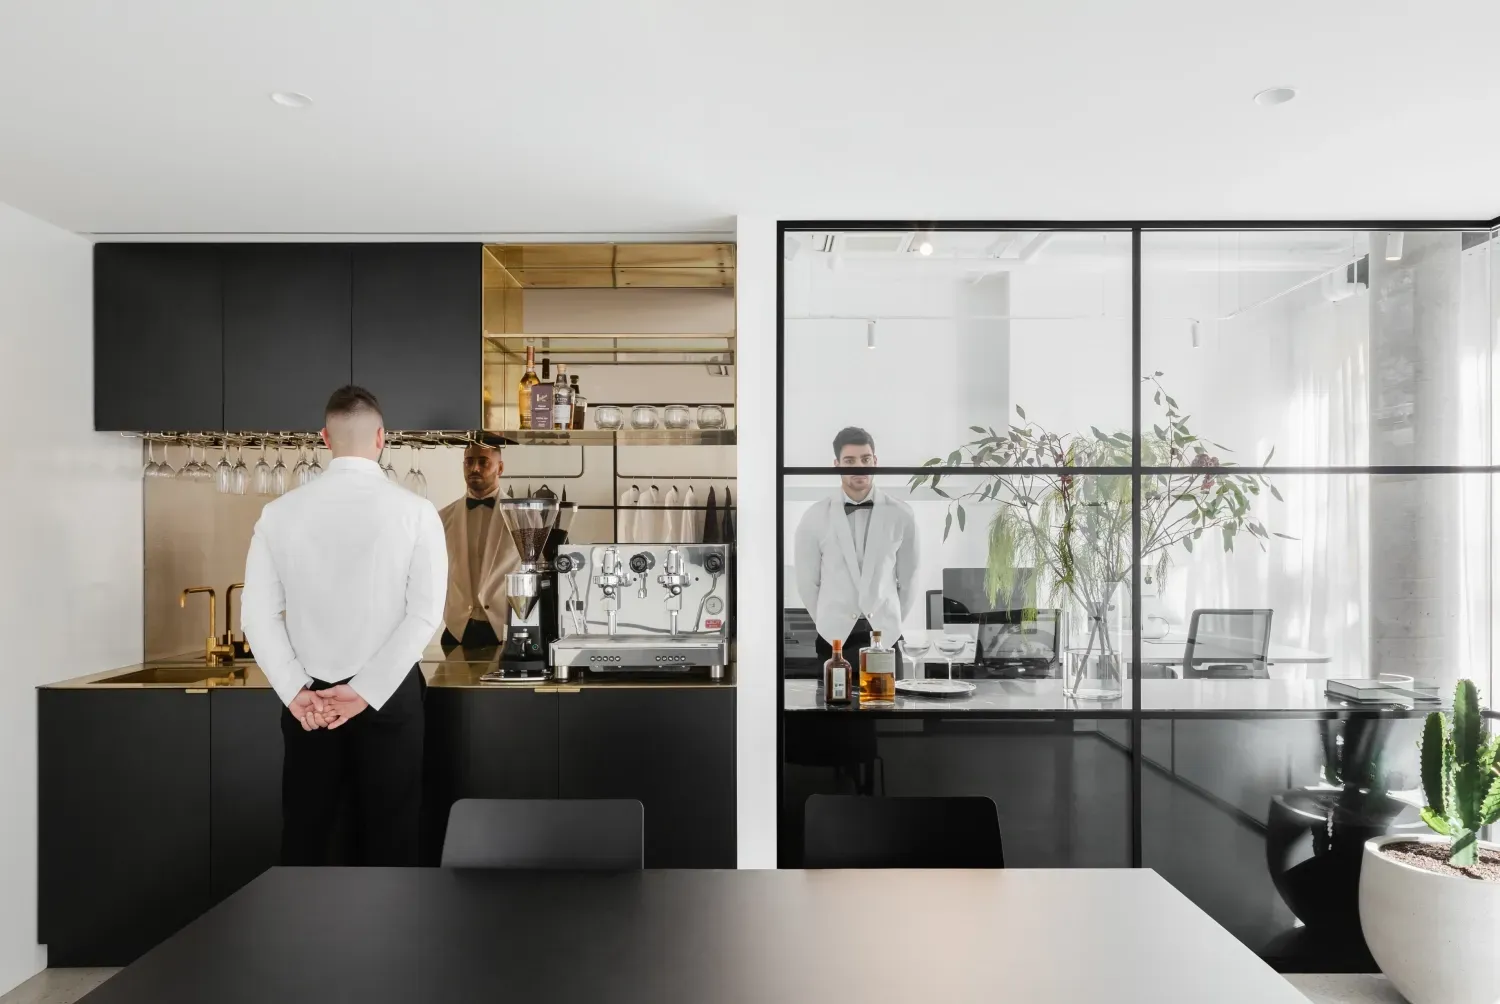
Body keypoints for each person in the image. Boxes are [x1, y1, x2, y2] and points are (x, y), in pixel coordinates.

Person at [241, 386, 446, 867]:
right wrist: (365, 691)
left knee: (308, 839)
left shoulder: (277, 514)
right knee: (392, 841)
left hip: (310, 703)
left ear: (324, 438)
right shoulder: (417, 513)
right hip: (389, 698)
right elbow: (425, 614)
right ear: (382, 437)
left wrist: (295, 691)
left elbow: (256, 615)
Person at [793, 427, 919, 670]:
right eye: (850, 461)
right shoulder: (814, 516)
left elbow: (910, 578)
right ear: (837, 465)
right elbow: (807, 583)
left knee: (889, 697)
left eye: (865, 459)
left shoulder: (902, 514)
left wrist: (890, 622)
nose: (859, 467)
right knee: (833, 697)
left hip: (886, 637)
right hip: (834, 640)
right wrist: (828, 622)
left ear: (875, 461)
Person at [436, 443, 520, 649]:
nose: (474, 468)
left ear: (500, 468)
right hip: (456, 631)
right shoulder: (442, 517)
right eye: (469, 462)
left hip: (506, 630)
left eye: (483, 462)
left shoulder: (523, 517)